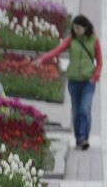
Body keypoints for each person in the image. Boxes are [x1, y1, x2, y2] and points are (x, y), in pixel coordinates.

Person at [37, 14, 102, 150]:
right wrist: (42, 59)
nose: (77, 31)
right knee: (76, 111)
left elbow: (100, 61)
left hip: (88, 82)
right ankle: (78, 137)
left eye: (79, 28)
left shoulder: (94, 40)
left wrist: (95, 76)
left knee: (85, 108)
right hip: (73, 81)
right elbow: (57, 51)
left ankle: (84, 137)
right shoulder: (71, 40)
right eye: (75, 28)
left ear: (85, 28)